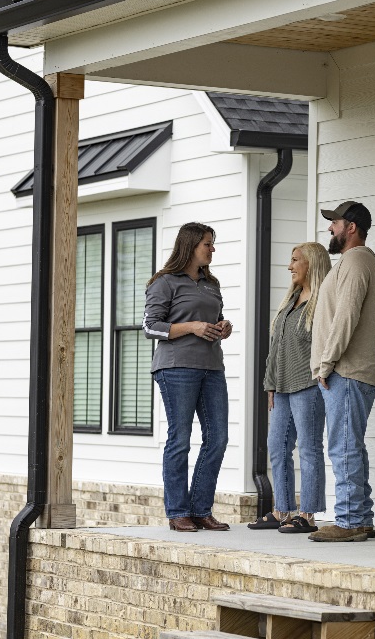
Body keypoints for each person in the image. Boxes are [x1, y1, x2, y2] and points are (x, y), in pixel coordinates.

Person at [143, 222, 233, 532]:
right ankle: (178, 511)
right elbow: (150, 327)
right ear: (191, 245)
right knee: (180, 439)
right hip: (176, 367)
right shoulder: (165, 282)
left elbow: (214, 320)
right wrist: (191, 327)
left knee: (218, 438)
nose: (212, 249)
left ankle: (201, 510)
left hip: (211, 367)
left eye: (212, 243)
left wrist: (223, 327)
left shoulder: (212, 283)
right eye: (207, 244)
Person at [308, 201, 375, 542]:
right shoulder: (355, 262)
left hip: (346, 370)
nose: (329, 229)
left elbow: (346, 317)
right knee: (350, 445)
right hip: (348, 371)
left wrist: (326, 363)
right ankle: (361, 518)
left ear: (351, 227)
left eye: (335, 223)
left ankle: (350, 521)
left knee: (342, 446)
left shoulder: (356, 259)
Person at [248, 242, 332, 534]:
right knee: (277, 446)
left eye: (296, 260)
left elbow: (328, 344)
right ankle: (282, 510)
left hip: (309, 384)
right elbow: (276, 347)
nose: (290, 266)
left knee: (309, 449)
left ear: (312, 264)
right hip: (281, 386)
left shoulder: (322, 302)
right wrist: (270, 383)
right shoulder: (291, 300)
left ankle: (307, 515)